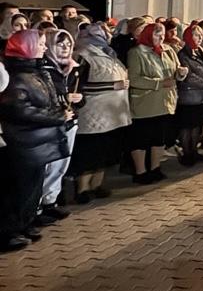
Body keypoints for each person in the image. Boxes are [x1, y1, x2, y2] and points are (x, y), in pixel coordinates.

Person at [0, 30, 73, 251]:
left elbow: (48, 99)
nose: (44, 47)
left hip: (39, 141)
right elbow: (19, 109)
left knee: (32, 188)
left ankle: (24, 224)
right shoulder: (15, 75)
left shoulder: (37, 70)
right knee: (17, 189)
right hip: (24, 141)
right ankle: (7, 232)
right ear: (26, 47)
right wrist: (58, 116)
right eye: (40, 44)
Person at [70, 22, 132, 202]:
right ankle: (82, 189)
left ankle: (97, 185)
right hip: (93, 113)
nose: (108, 34)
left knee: (105, 152)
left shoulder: (108, 52)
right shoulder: (83, 54)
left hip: (111, 114)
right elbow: (78, 86)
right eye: (103, 31)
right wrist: (112, 86)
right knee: (90, 153)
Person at [127, 22, 184, 184]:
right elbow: (134, 79)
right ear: (148, 34)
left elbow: (175, 70)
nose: (161, 37)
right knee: (141, 139)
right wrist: (158, 83)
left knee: (159, 138)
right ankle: (140, 172)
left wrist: (181, 73)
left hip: (165, 102)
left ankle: (155, 168)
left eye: (162, 34)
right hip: (145, 104)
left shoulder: (168, 50)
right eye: (157, 34)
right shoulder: (136, 52)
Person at [37, 29, 82, 222]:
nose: (65, 48)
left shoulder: (73, 67)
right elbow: (44, 96)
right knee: (48, 165)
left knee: (61, 165)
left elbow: (79, 93)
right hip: (52, 122)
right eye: (60, 44)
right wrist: (65, 98)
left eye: (69, 44)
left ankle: (50, 201)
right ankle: (38, 206)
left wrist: (79, 99)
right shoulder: (43, 68)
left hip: (70, 121)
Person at [175, 25, 203, 166]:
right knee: (187, 126)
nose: (199, 38)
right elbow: (189, 76)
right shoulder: (183, 55)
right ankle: (187, 154)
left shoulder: (202, 52)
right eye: (196, 35)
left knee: (196, 126)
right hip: (189, 96)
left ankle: (194, 151)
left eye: (200, 35)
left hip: (201, 96)